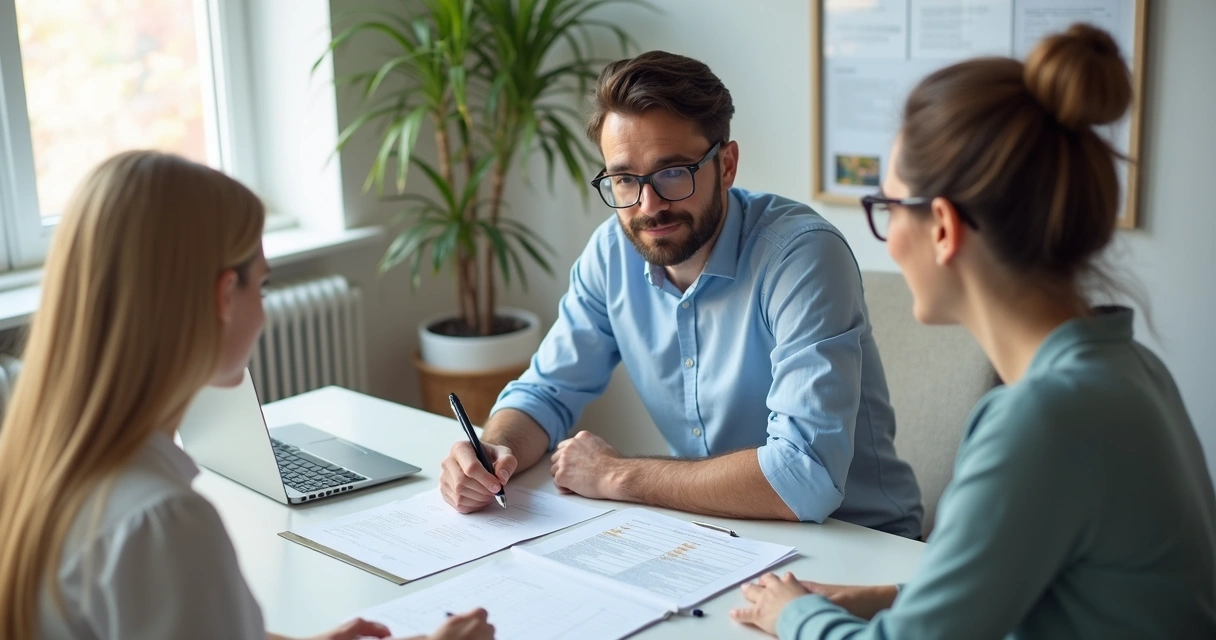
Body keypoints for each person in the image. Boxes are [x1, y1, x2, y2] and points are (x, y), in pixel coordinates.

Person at [731, 24, 1216, 639]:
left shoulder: (1042, 418)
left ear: (941, 227)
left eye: (887, 206)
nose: (888, 237)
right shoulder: (1130, 369)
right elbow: (1050, 578)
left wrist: (793, 613)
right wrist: (886, 598)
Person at [0, 151, 494, 640]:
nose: (261, 311)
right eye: (261, 286)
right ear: (222, 296)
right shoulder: (163, 525)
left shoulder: (35, 467)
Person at [439, 51, 923, 538]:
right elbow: (544, 393)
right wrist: (493, 451)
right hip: (717, 534)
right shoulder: (613, 252)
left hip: (860, 543)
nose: (649, 206)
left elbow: (805, 478)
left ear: (727, 165)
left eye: (673, 172)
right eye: (625, 178)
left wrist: (615, 474)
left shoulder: (802, 256)